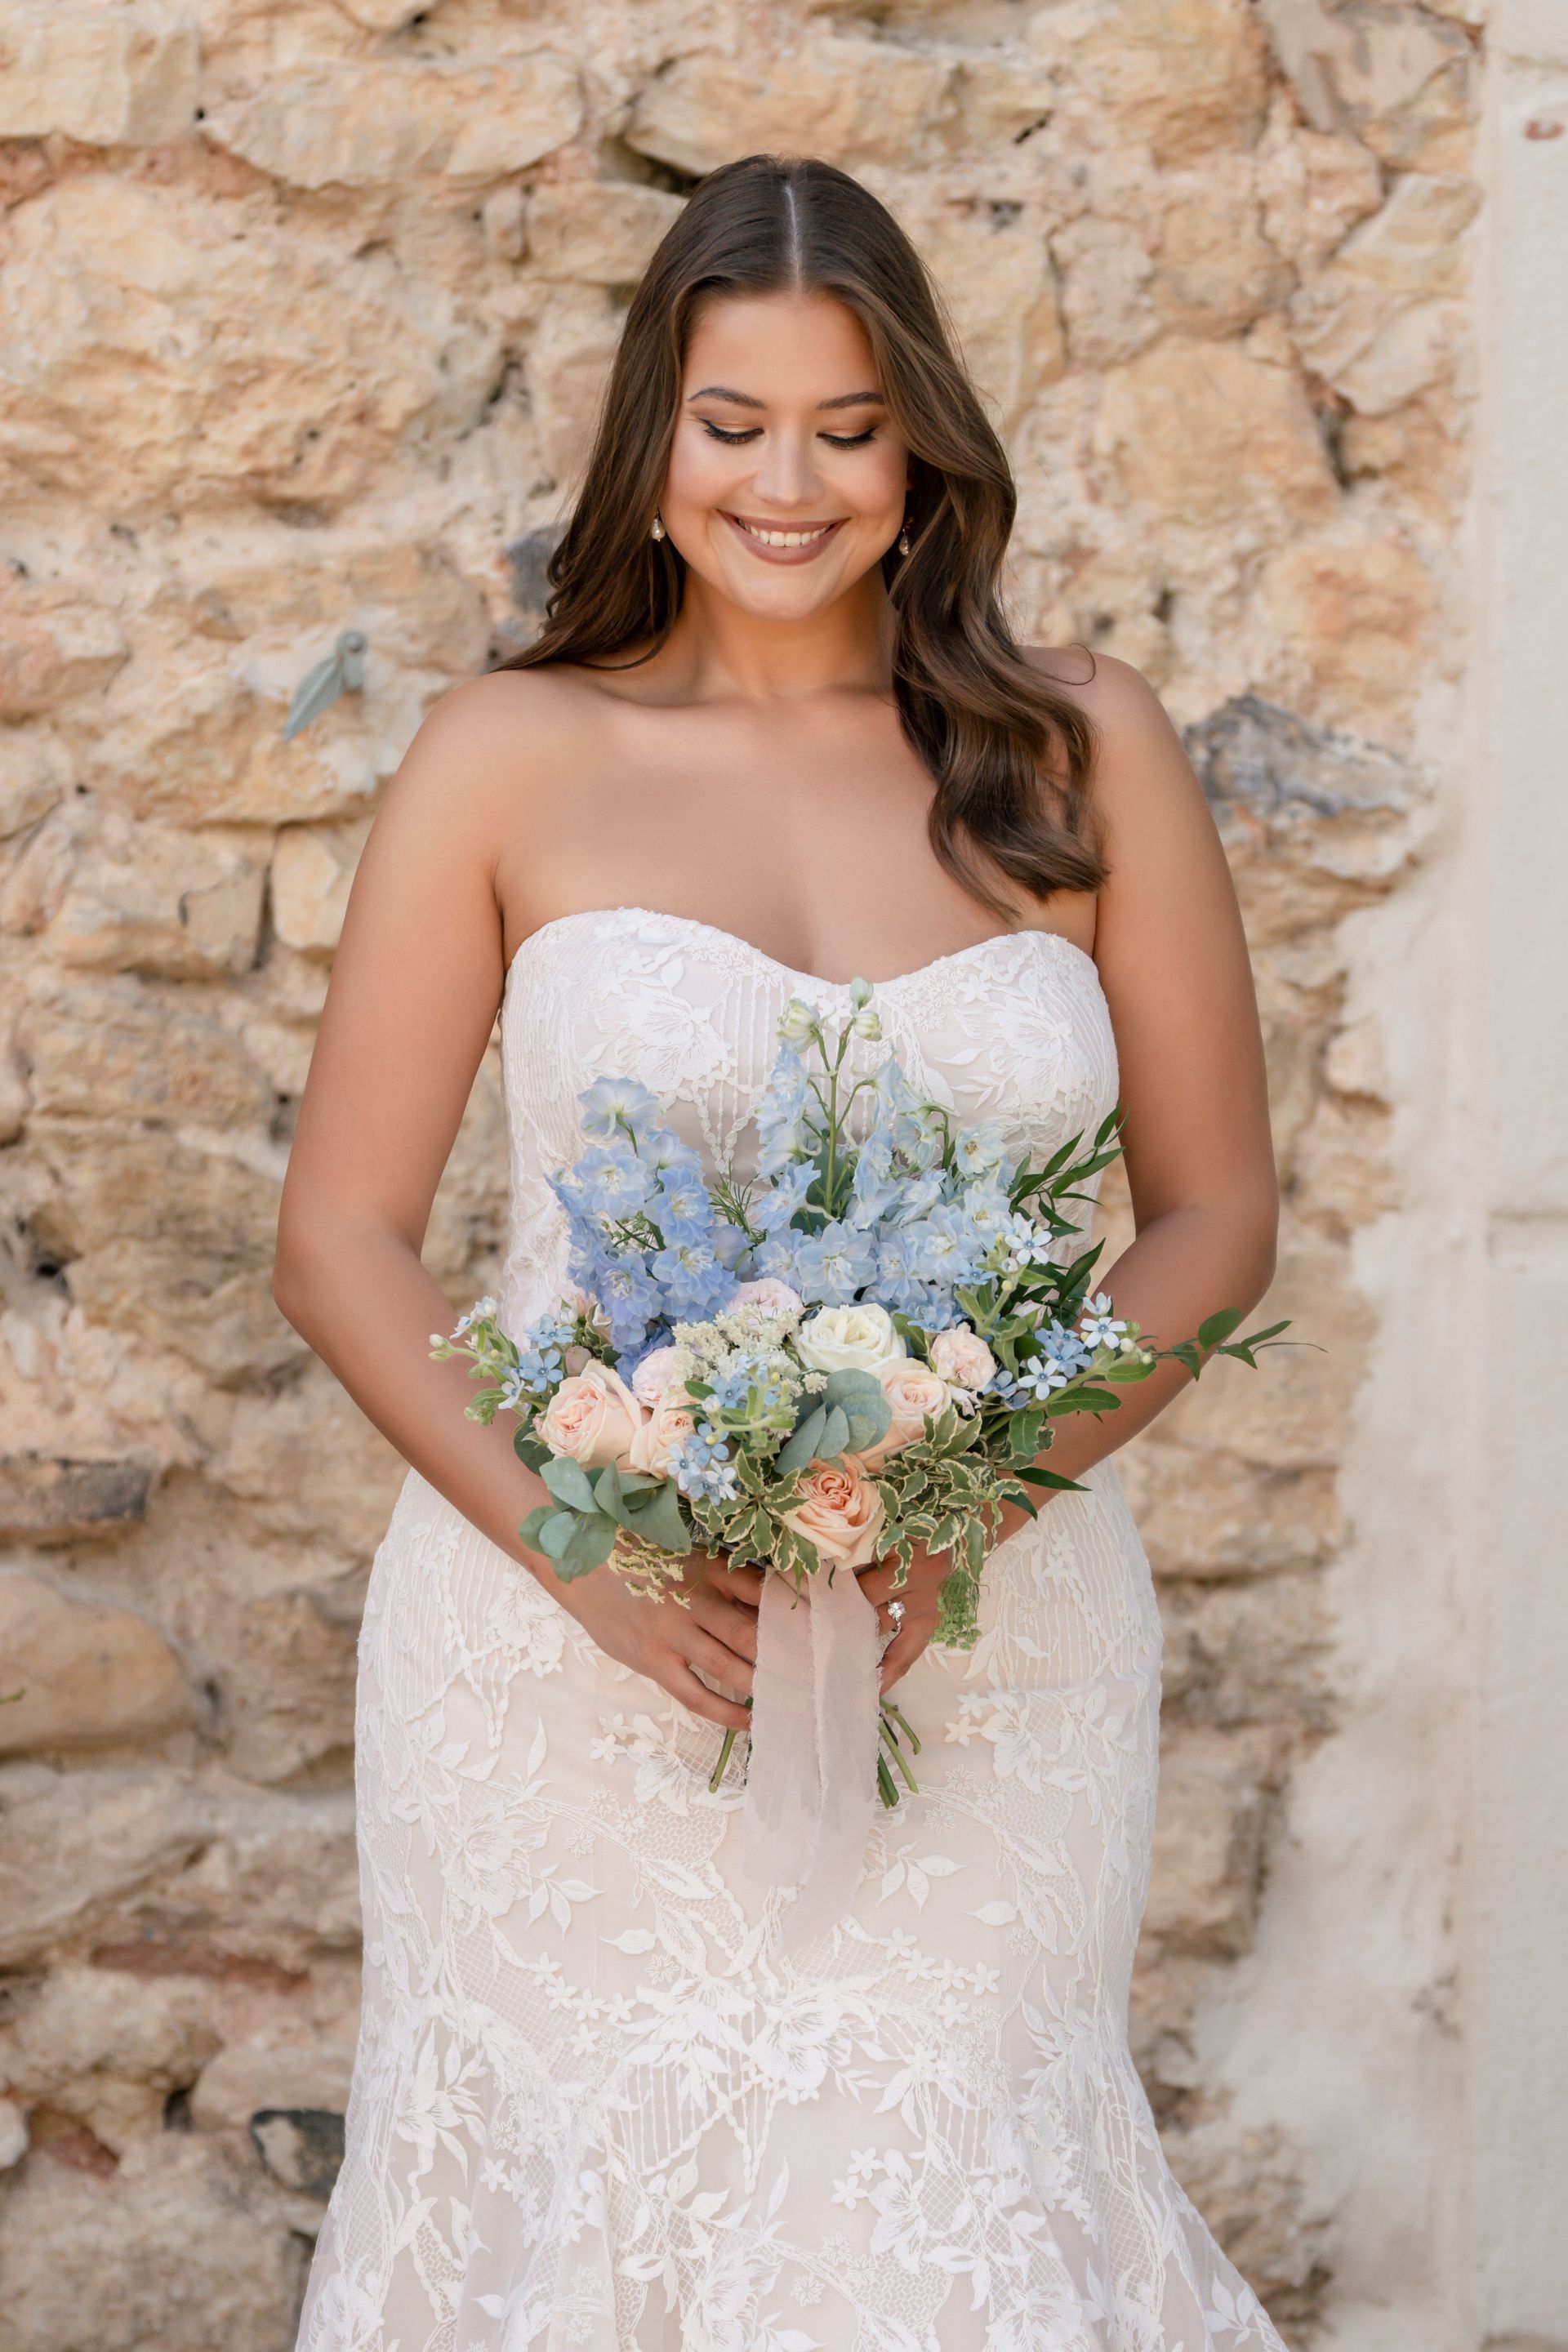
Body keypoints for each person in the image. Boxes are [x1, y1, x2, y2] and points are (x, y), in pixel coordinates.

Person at [275, 152, 1283, 2351]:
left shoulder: (1078, 747)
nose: (789, 482)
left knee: (946, 2179)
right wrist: (584, 1554)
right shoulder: (507, 753)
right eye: (734, 424)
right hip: (564, 1654)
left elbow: (1213, 1217)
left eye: (846, 425)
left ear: (919, 448)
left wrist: (976, 1494)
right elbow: (340, 1238)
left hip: (987, 1643)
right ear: (652, 444)